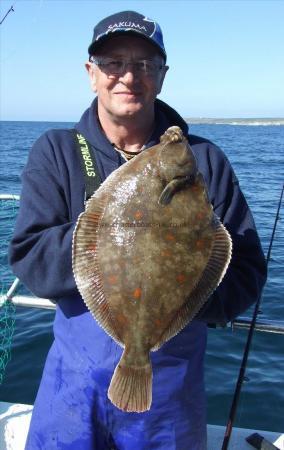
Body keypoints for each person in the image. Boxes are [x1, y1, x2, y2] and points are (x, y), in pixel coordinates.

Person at [9, 10, 267, 450]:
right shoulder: (56, 151)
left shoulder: (205, 161)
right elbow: (32, 257)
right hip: (72, 387)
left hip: (170, 391)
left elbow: (245, 269)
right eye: (113, 62)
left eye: (146, 65)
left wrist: (187, 295)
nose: (129, 76)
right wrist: (111, 240)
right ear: (91, 74)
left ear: (162, 77)